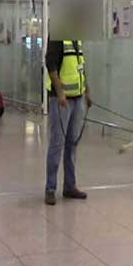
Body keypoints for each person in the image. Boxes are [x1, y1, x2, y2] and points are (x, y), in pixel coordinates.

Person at [44, 39, 92, 205]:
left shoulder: (77, 40)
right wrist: (60, 92)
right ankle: (50, 188)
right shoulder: (58, 37)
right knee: (57, 143)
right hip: (61, 100)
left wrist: (87, 92)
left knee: (72, 144)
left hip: (78, 99)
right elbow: (51, 65)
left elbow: (81, 69)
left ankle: (70, 186)